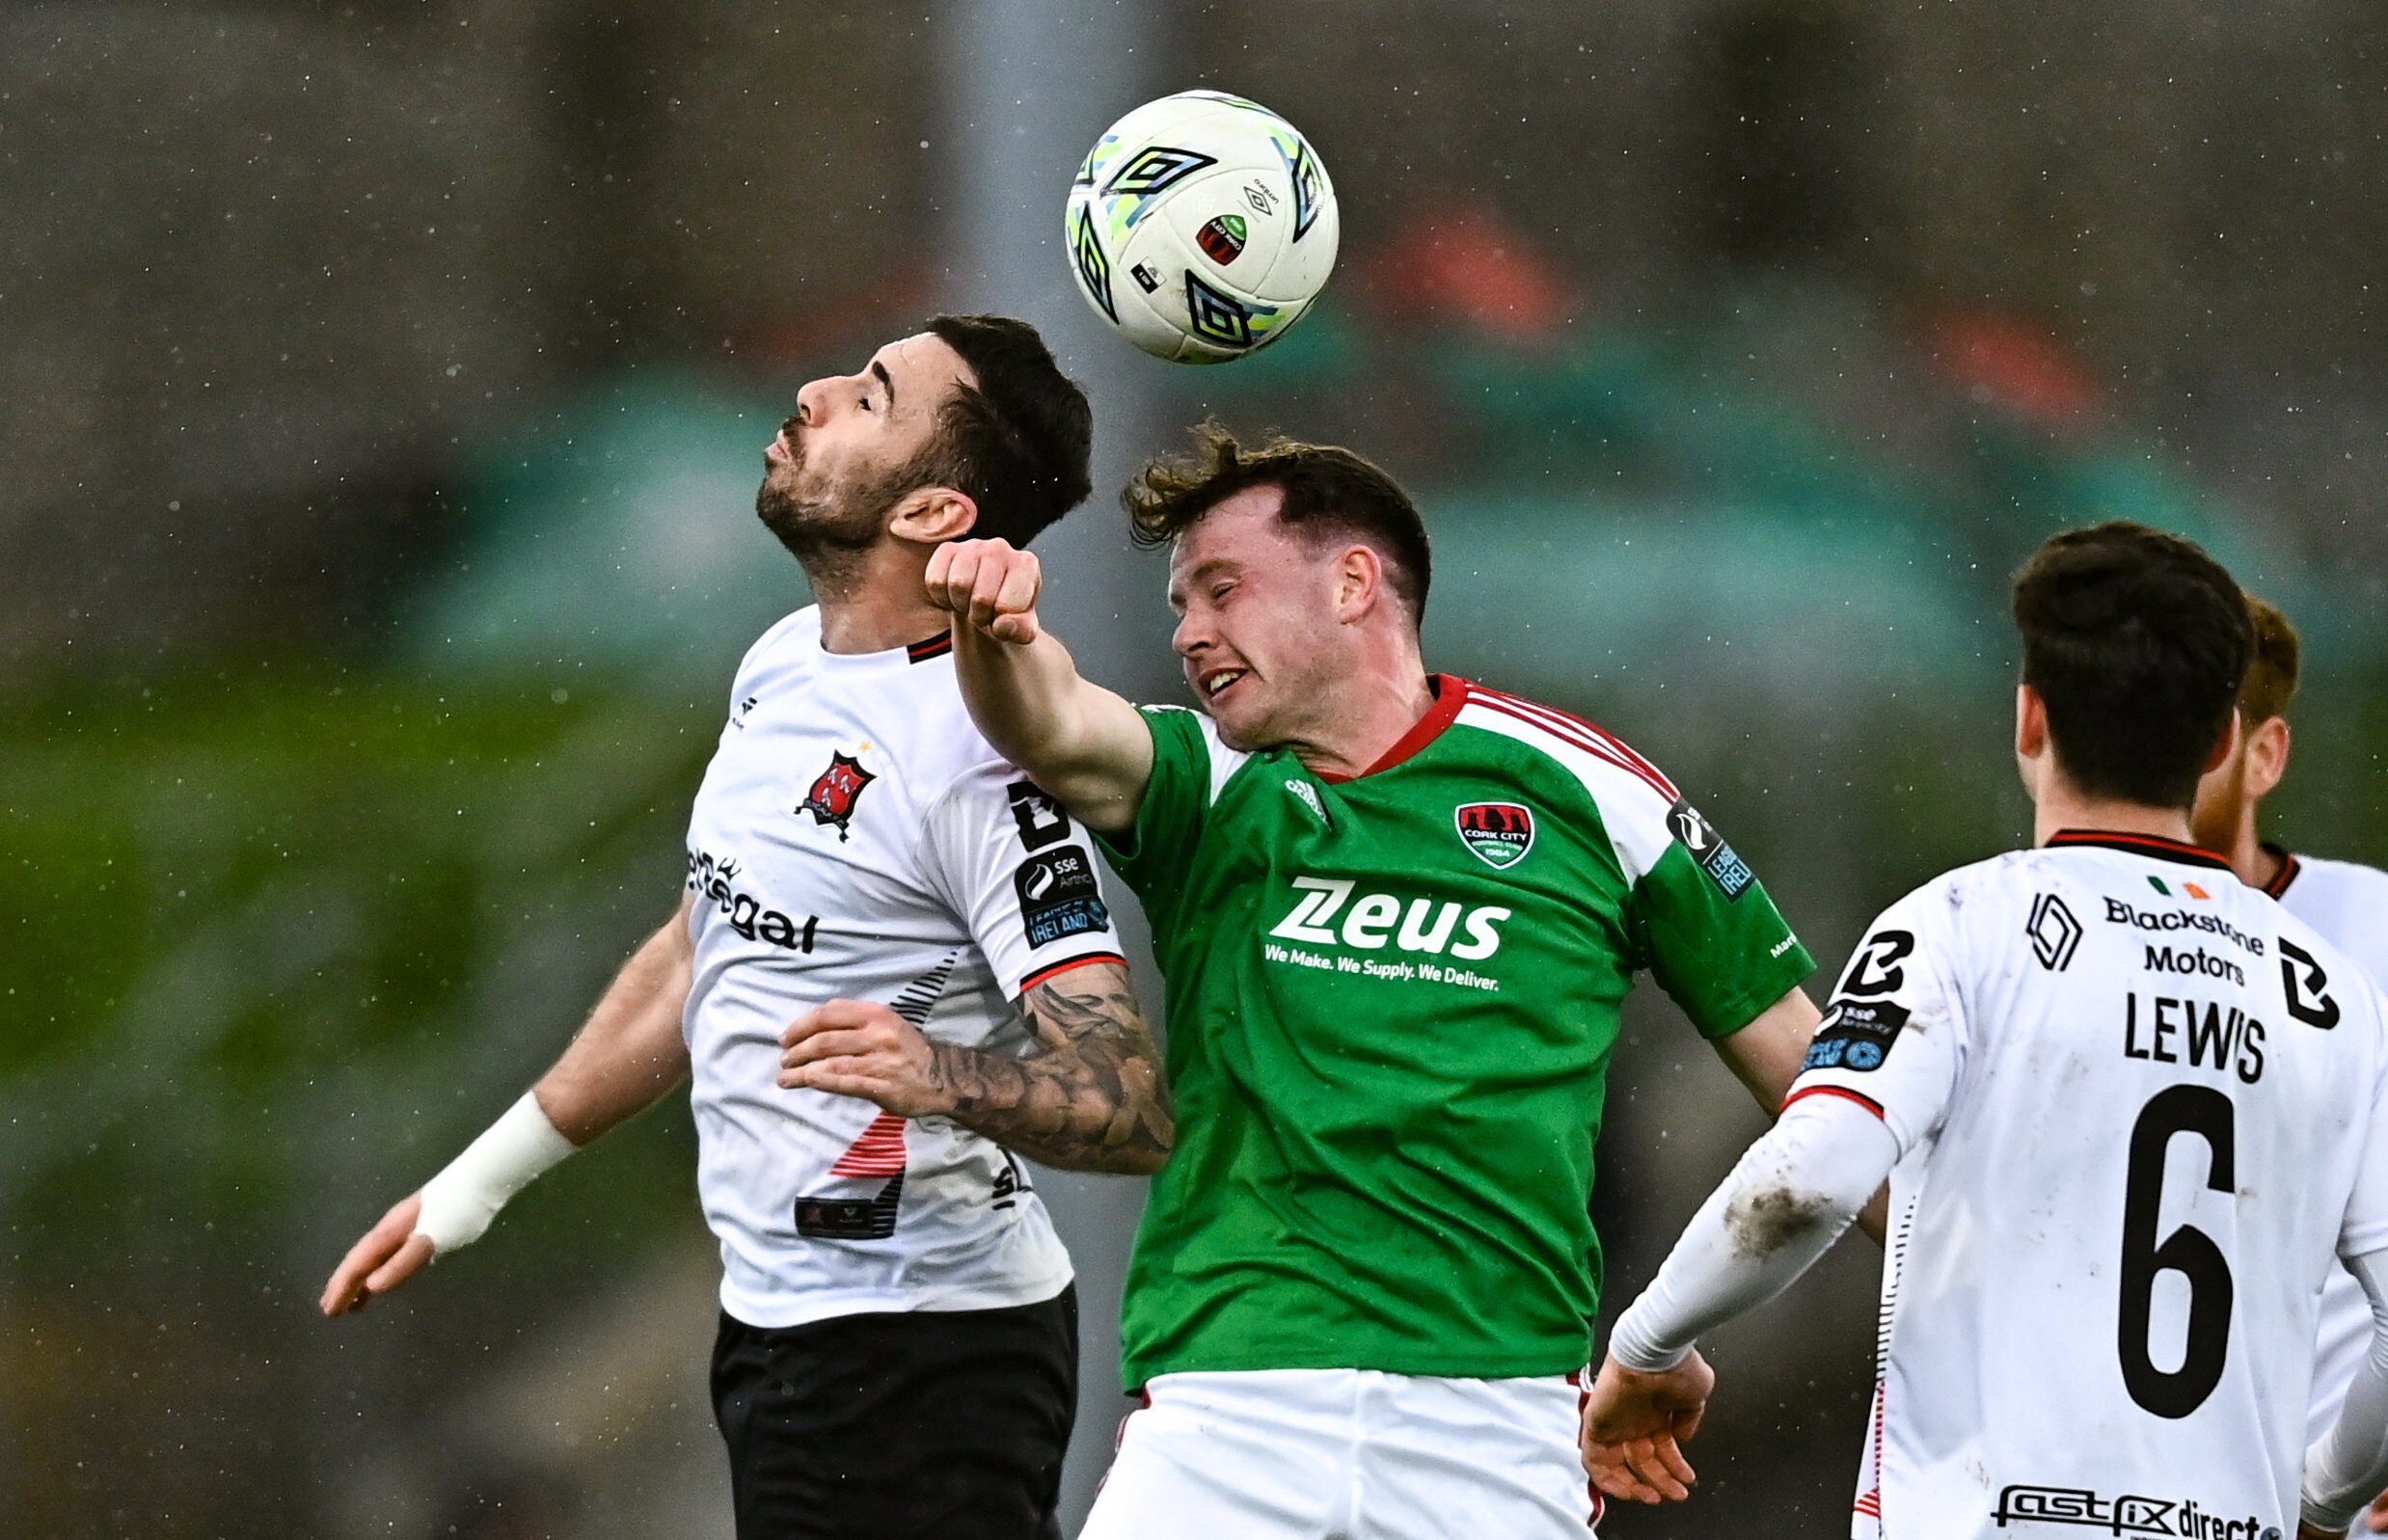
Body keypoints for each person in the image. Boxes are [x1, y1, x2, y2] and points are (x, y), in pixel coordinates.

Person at [318, 315, 1173, 1540]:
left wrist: (939, 1072)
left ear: (933, 512)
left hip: (926, 1355)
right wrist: (477, 1184)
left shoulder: (982, 766)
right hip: (779, 1330)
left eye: (871, 398)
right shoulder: (782, 663)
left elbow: (1126, 1099)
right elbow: (698, 948)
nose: (815, 392)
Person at [910, 425, 1824, 1538]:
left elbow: (1825, 1089)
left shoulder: (1591, 793)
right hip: (1229, 1407)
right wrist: (991, 632)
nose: (1189, 633)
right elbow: (1049, 717)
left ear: (1352, 583)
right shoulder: (1209, 782)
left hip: (1497, 1422)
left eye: (1221, 590)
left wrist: (1973, 1282)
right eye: (1178, 607)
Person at [1581, 522, 2388, 1540]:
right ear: (2225, 741)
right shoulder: (2329, 993)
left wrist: (1647, 1345)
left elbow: (1809, 1178)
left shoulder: (1962, 927)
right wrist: (2322, 1496)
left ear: (2029, 718)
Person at [2193, 593, 2388, 1534]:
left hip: (2334, 1503)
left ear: (2264, 754)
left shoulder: (2374, 931)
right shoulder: (2032, 937)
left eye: (2194, 727)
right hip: (2120, 1490)